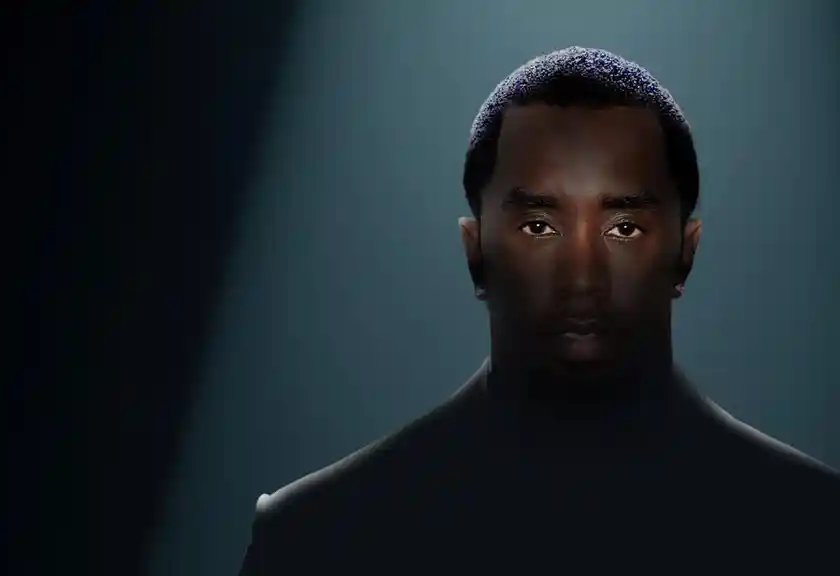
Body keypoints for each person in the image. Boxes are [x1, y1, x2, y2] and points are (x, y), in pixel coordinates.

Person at [236, 47, 839, 575]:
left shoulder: (815, 527)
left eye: (624, 227)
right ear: (475, 251)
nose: (582, 274)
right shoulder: (320, 535)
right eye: (539, 226)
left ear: (686, 250)